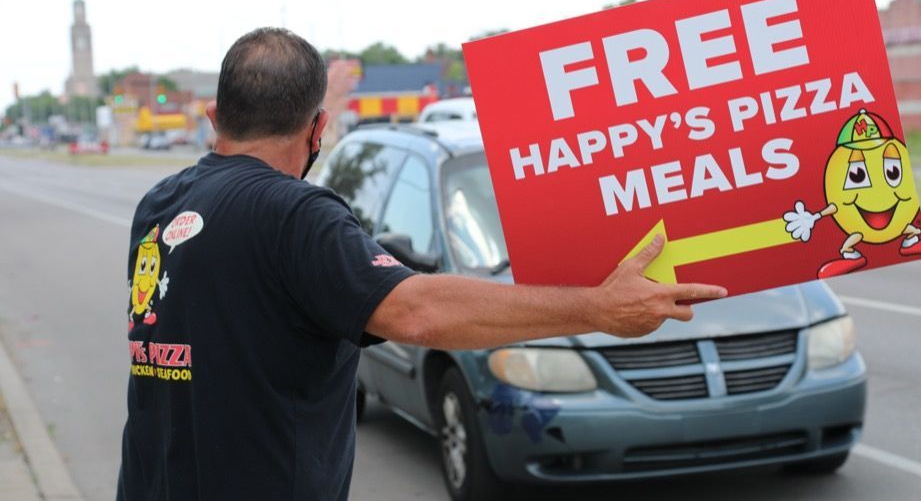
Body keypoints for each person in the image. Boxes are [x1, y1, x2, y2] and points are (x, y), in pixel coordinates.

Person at [117, 27, 727, 501]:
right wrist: (597, 308)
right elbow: (417, 313)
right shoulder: (295, 214)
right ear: (318, 127)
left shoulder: (161, 205)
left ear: (215, 117)